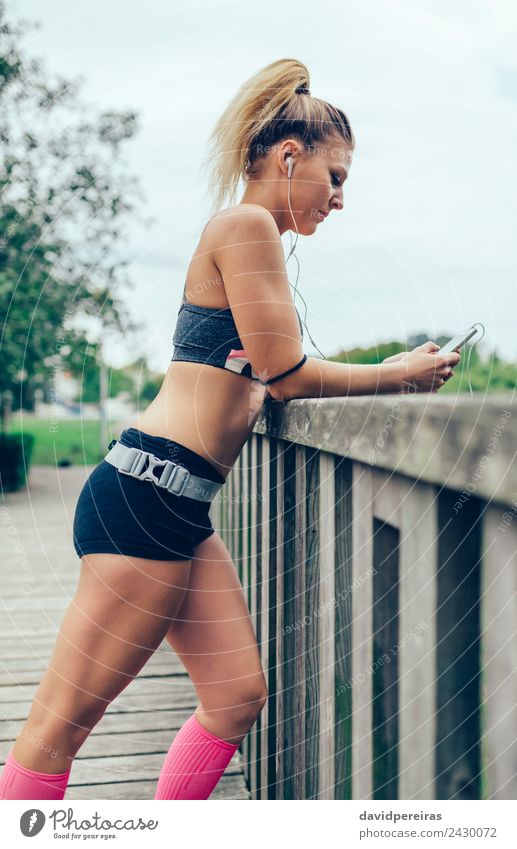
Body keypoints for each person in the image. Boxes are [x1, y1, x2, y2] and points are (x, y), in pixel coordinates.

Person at [0, 57, 460, 802]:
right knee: (58, 727)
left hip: (177, 506)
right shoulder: (245, 226)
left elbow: (260, 376)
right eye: (334, 176)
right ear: (288, 156)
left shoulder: (254, 239)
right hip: (144, 501)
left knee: (236, 694)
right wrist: (398, 373)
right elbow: (285, 372)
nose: (340, 198)